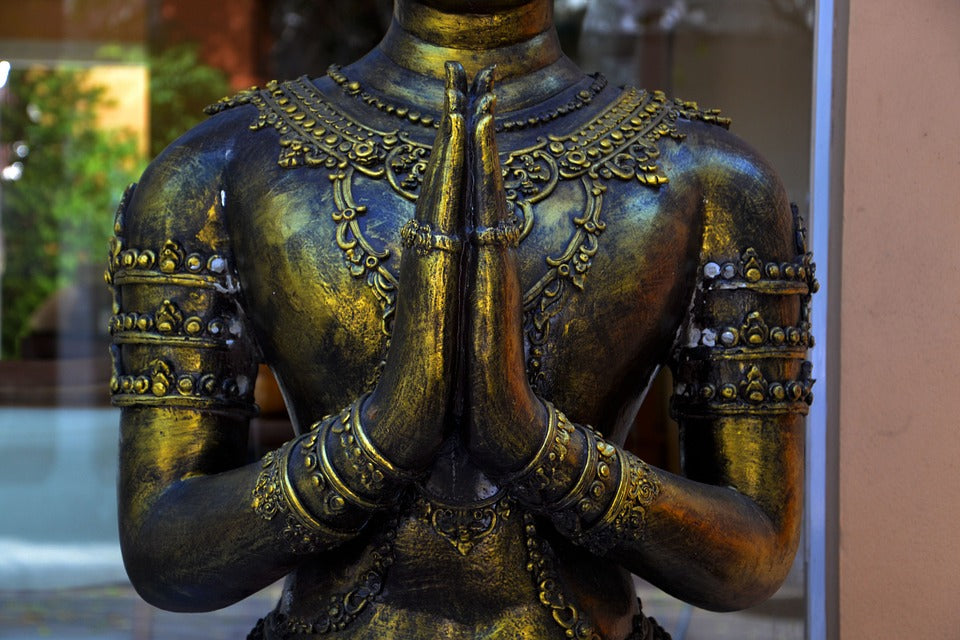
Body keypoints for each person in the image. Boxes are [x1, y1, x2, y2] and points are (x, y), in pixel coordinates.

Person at [106, 1, 816, 638]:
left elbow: (753, 554)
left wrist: (535, 445)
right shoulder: (218, 167)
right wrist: (381, 436)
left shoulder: (712, 178)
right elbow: (164, 553)